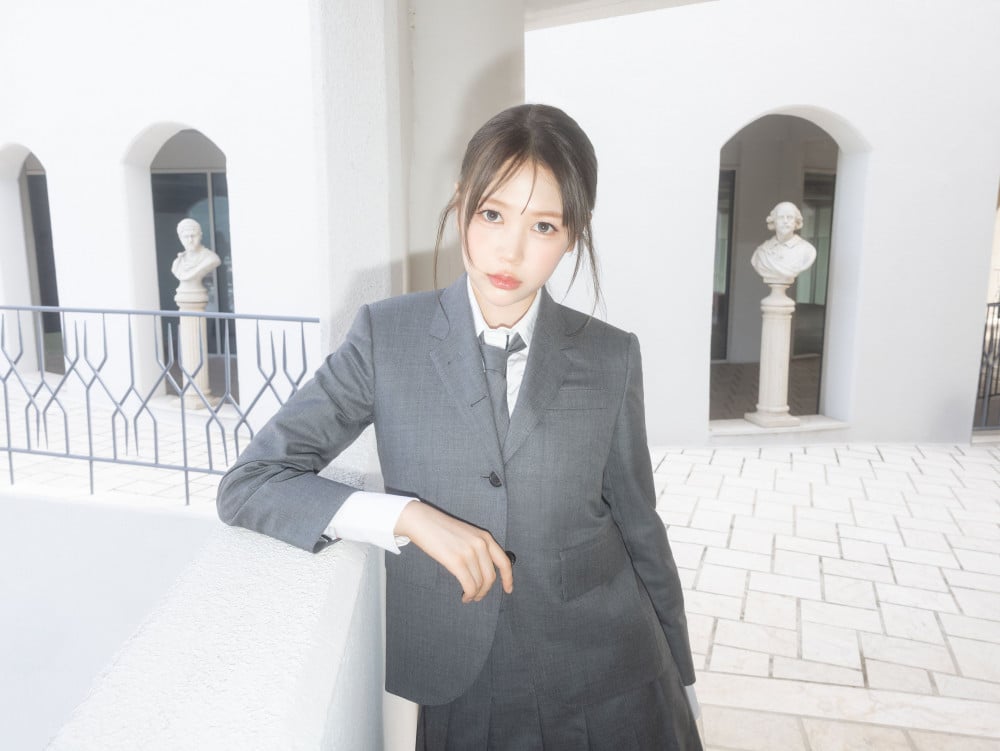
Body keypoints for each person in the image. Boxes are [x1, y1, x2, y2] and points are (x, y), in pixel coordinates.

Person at [217, 104, 701, 750]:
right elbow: (250, 482)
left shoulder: (612, 356)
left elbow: (640, 524)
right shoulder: (387, 336)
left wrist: (683, 677)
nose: (510, 250)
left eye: (544, 225)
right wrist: (405, 516)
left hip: (614, 682)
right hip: (465, 696)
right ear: (461, 200)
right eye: (492, 213)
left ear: (573, 235)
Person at [750, 201, 817, 284]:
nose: (785, 221)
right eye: (781, 217)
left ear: (796, 221)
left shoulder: (807, 250)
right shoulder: (761, 251)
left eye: (790, 217)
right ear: (774, 221)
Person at [171, 218, 221, 300]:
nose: (190, 240)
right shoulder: (177, 263)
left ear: (200, 236)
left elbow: (214, 261)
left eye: (193, 236)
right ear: (180, 238)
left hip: (197, 295)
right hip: (183, 295)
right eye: (186, 237)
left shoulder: (211, 258)